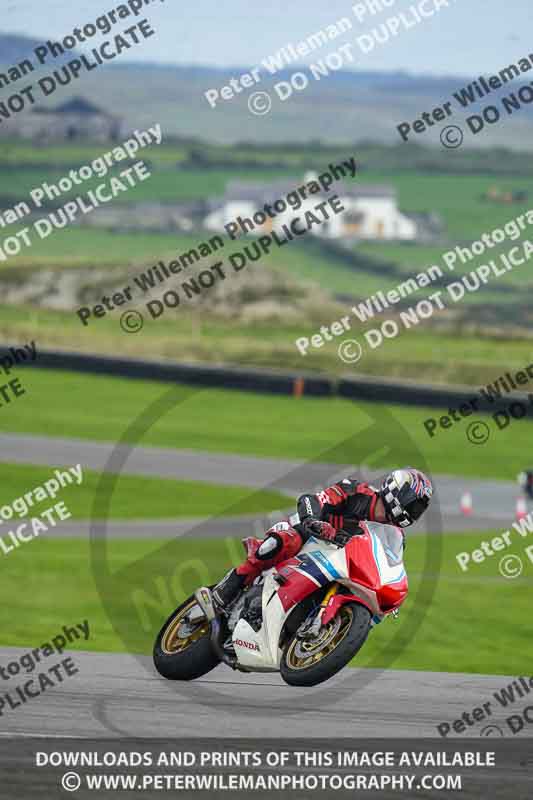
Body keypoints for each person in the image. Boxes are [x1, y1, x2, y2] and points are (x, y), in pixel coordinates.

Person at [211, 467, 433, 611]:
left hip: (338, 561)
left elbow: (388, 565)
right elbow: (312, 500)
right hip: (308, 535)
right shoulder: (356, 491)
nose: (414, 512)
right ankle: (225, 591)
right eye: (413, 504)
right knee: (280, 543)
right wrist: (313, 521)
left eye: (419, 509)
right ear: (396, 491)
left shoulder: (395, 535)